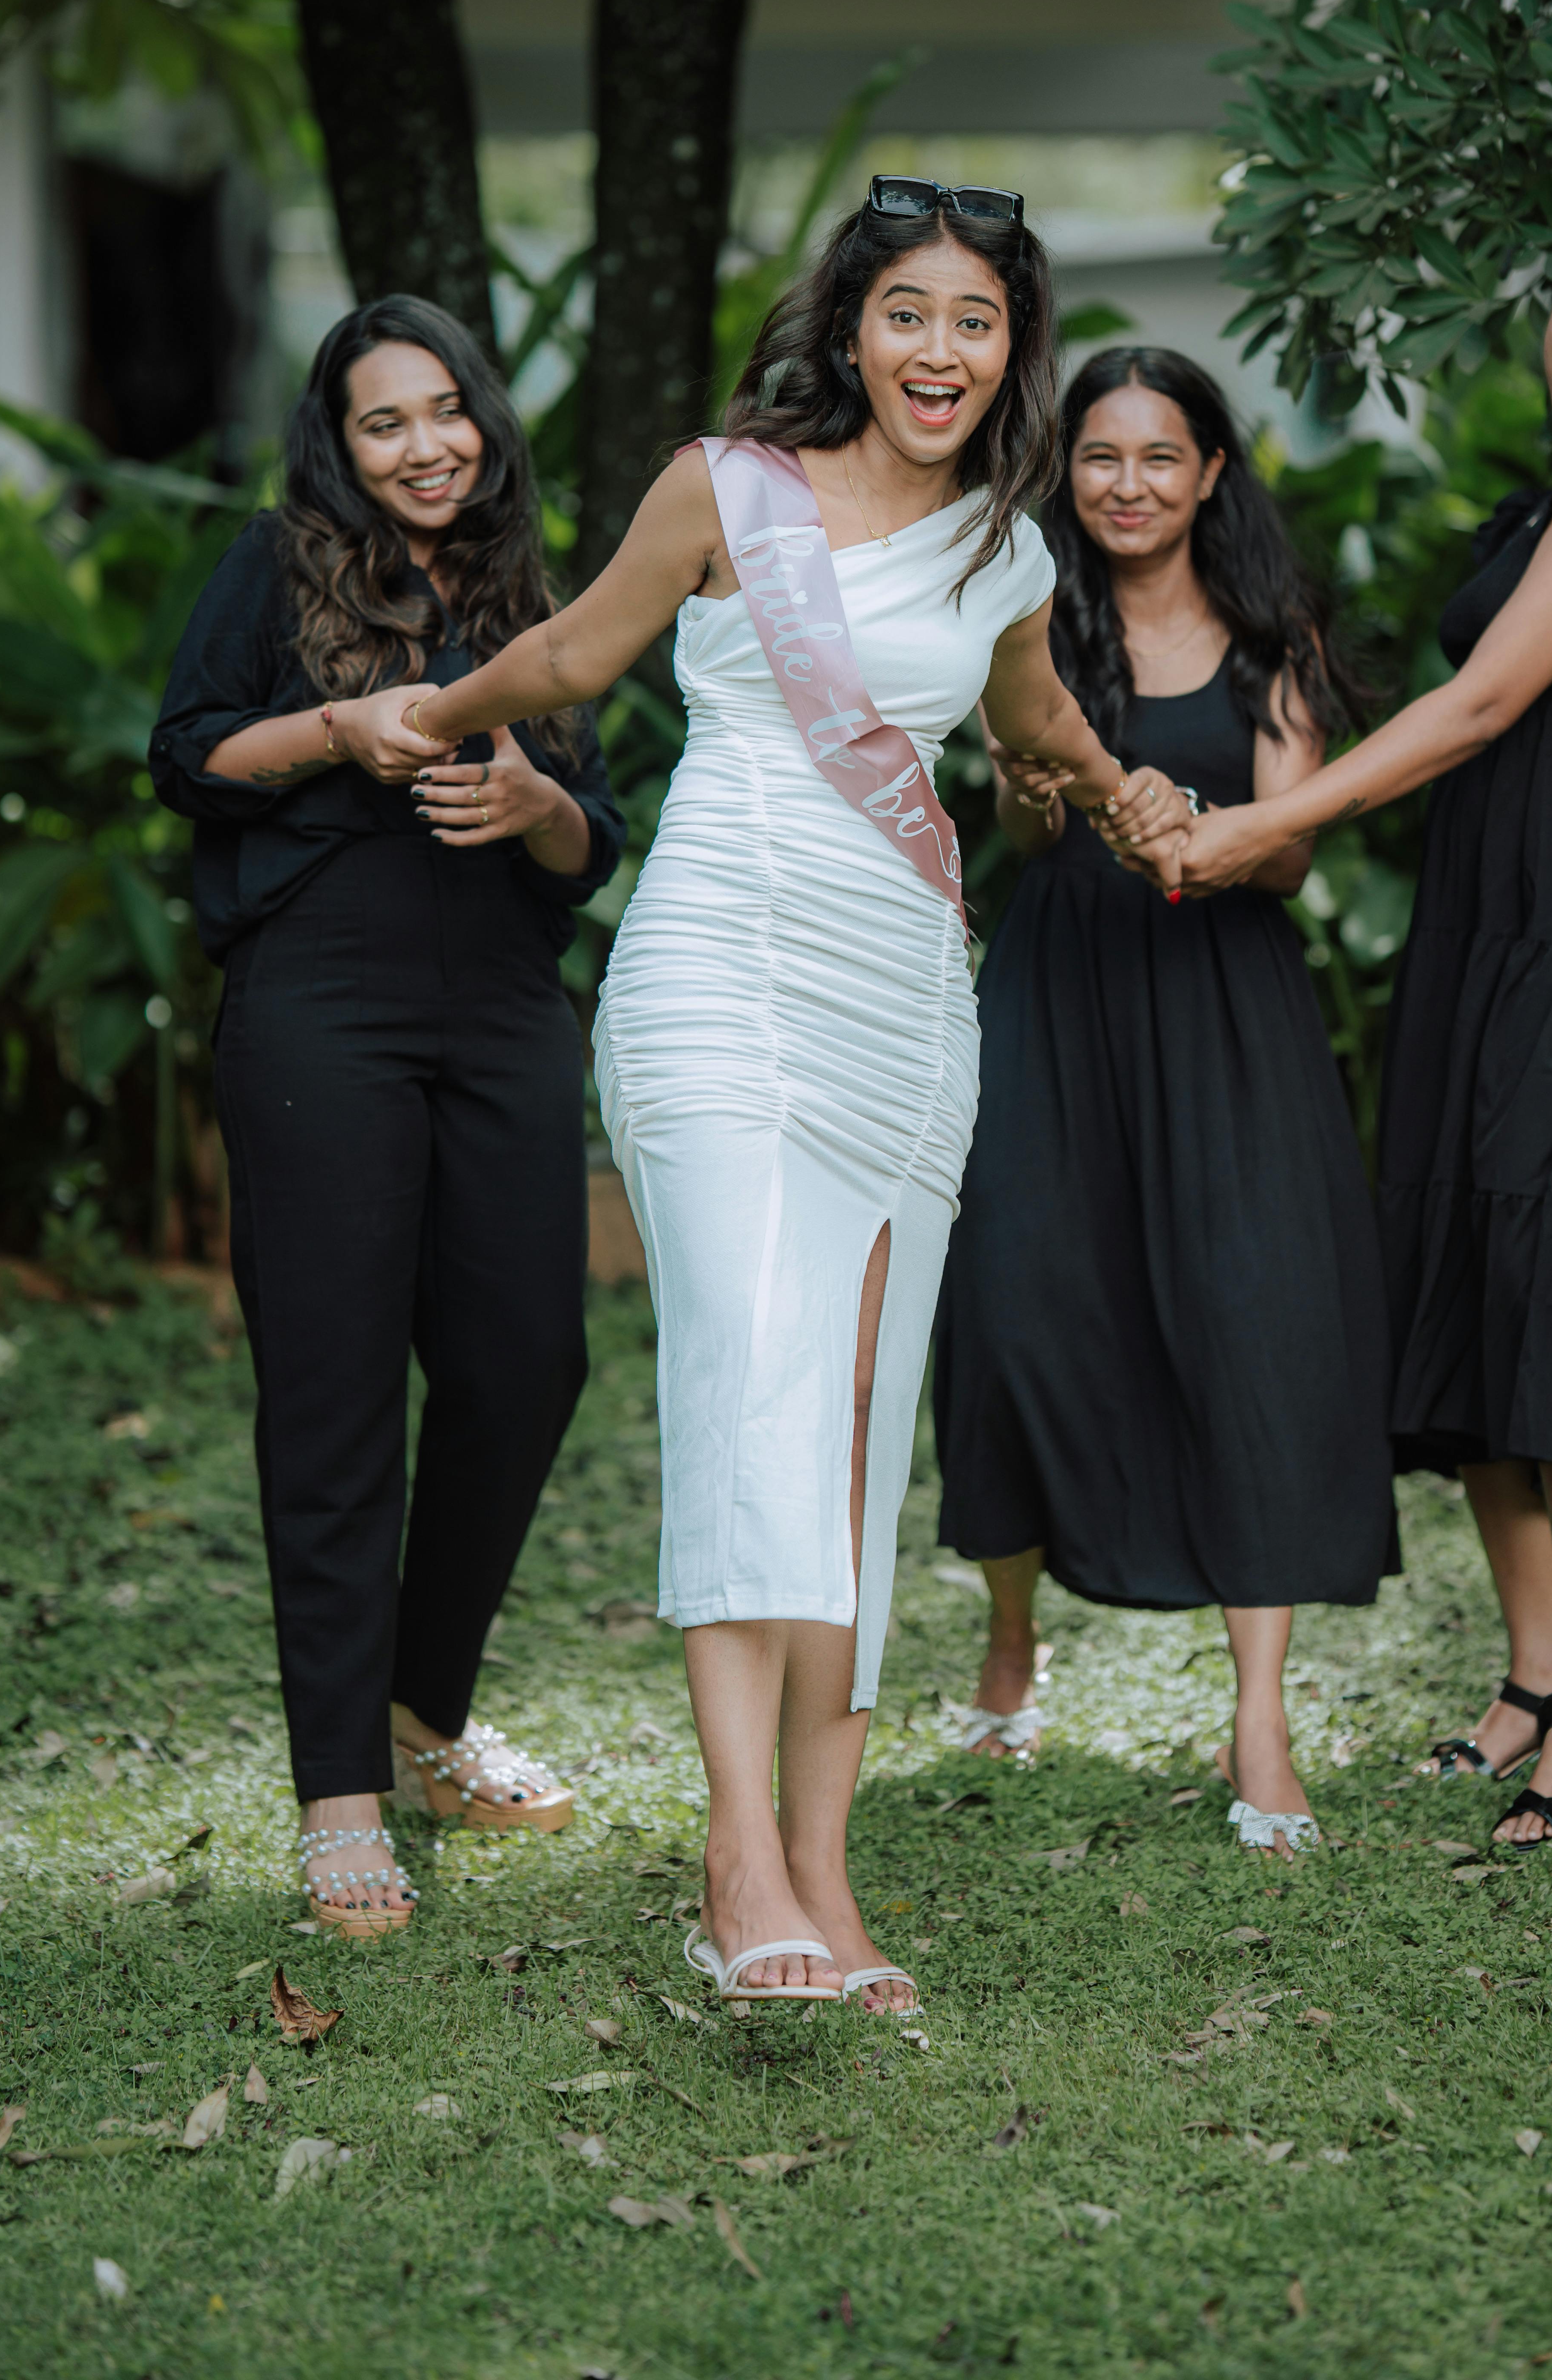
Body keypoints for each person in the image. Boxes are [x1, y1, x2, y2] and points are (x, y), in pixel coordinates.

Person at [402, 178, 1184, 2008]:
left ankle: (825, 1878)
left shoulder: (1006, 548)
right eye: (906, 311)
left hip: (911, 1008)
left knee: (849, 1424)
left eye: (975, 320)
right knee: (754, 1391)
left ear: (1013, 351)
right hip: (725, 980)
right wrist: (427, 719)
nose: (939, 349)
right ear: (851, 328)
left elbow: (1031, 719)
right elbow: (573, 657)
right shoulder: (725, 487)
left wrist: (1126, 786)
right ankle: (734, 1861)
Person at [1139, 211, 1552, 1850]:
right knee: (1474, 1252)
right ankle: (1529, 1679)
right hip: (1492, 918)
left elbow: (1488, 702)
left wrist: (1246, 837)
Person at [150, 296, 625, 1937]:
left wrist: (538, 801)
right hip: (322, 1006)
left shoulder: (527, 585)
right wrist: (337, 731)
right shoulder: (280, 569)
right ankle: (341, 1793)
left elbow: (595, 837)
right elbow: (189, 755)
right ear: (336, 444)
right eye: (383, 423)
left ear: (483, 420)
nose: (425, 446)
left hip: (499, 1006)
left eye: (446, 412)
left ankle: (425, 1717)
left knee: (525, 1363)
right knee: (339, 1393)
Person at [931, 348, 1397, 1856]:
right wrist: (1037, 789)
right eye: (1099, 456)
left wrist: (1199, 835)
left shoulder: (1273, 633)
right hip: (1060, 996)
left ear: (1210, 475)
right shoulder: (1026, 616)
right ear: (1066, 474)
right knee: (1008, 1306)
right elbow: (1010, 813)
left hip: (1225, 1008)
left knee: (1252, 1330)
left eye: (1160, 457)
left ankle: (1257, 1715)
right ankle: (1012, 1635)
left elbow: (1294, 851)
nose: (1126, 484)